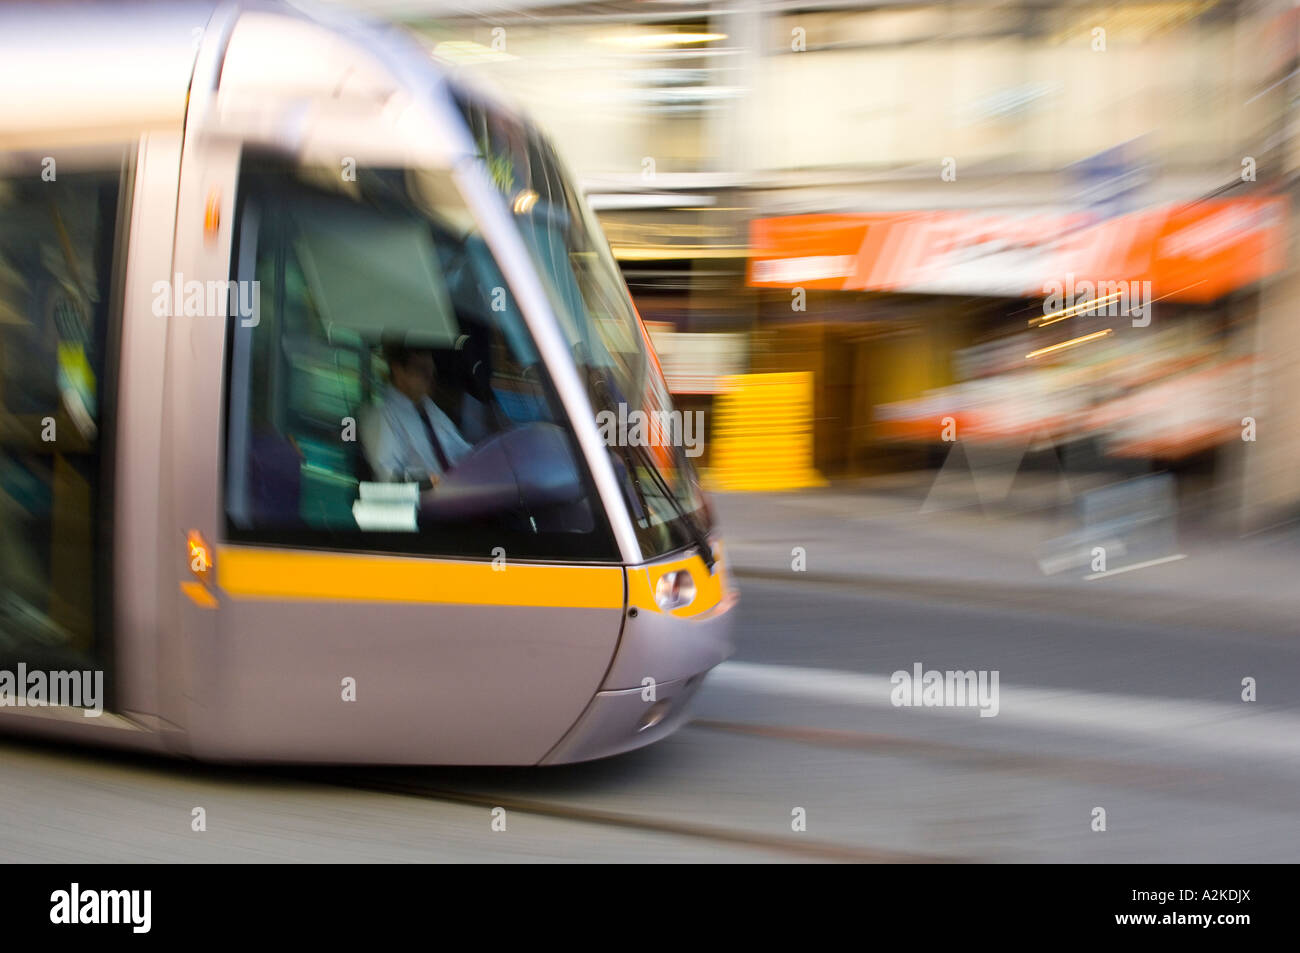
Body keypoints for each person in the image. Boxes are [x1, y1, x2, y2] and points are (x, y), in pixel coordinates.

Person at [360, 342, 472, 491]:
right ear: (398, 371)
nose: (430, 376)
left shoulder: (429, 408)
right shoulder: (382, 416)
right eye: (422, 370)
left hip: (459, 493)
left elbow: (460, 449)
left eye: (431, 369)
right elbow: (389, 477)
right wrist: (429, 481)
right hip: (426, 504)